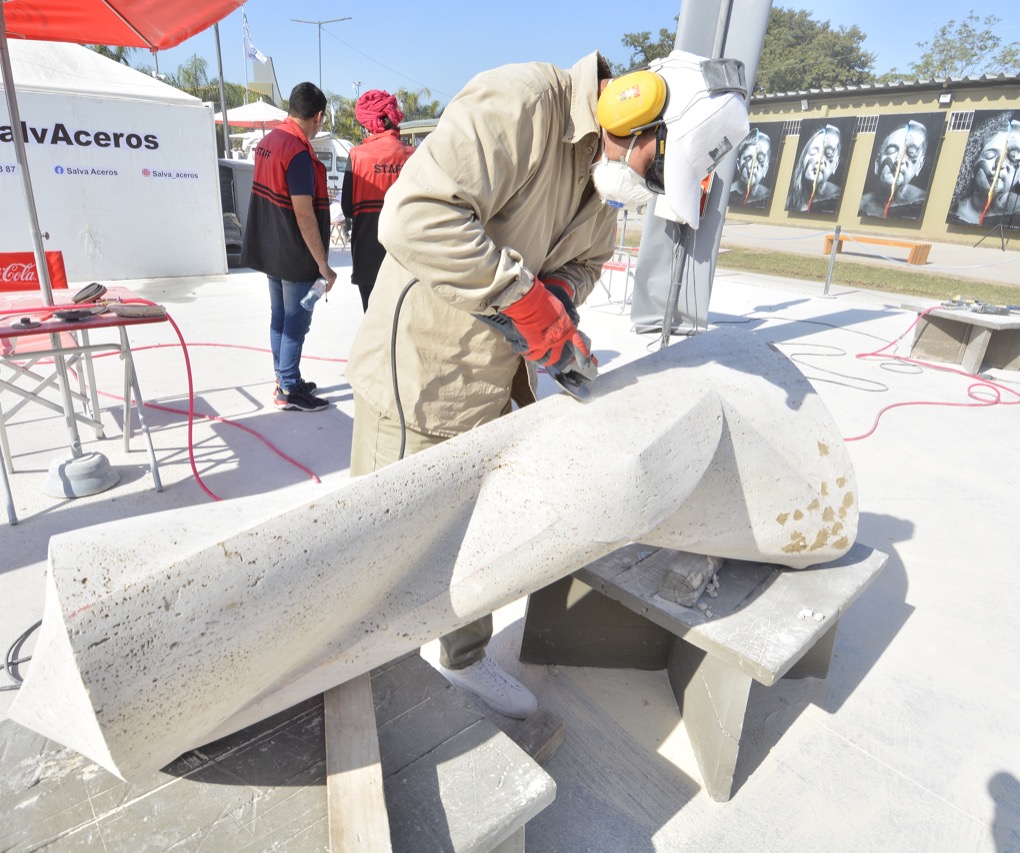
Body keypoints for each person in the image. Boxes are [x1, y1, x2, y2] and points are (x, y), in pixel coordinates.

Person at [345, 50, 748, 718]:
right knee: (387, 552)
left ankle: (464, 657)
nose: (643, 183)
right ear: (637, 114)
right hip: (423, 368)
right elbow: (414, 216)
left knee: (474, 534)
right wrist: (524, 299)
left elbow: (590, 259)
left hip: (499, 380)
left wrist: (560, 295)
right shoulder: (523, 106)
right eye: (656, 164)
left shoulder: (602, 175)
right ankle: (368, 693)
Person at [240, 82, 335, 413]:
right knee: (297, 320)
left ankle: (284, 378)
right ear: (318, 116)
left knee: (280, 317)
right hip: (295, 254)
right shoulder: (296, 151)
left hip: (271, 249)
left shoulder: (269, 141)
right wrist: (323, 264)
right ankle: (290, 389)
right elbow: (304, 213)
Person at [342, 89, 415, 311]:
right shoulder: (413, 155)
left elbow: (346, 207)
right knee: (404, 327)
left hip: (367, 258)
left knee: (373, 326)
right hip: (407, 260)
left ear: (370, 124)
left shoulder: (356, 156)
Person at [949, 117, 1020, 227]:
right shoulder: (954, 209)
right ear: (972, 161)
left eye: (1013, 156)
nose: (1000, 164)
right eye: (990, 155)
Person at [859, 120, 929, 219]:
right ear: (877, 163)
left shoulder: (924, 203)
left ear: (919, 166)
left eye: (911, 152)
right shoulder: (861, 205)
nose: (899, 160)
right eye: (891, 150)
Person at [785, 124, 842, 213]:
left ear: (835, 165)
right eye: (814, 151)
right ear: (804, 156)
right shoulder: (786, 194)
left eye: (829, 154)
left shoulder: (836, 198)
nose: (819, 160)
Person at [730, 129, 772, 207]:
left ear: (766, 169)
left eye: (760, 159)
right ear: (738, 164)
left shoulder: (768, 197)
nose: (753, 165)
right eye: (748, 158)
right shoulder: (728, 194)